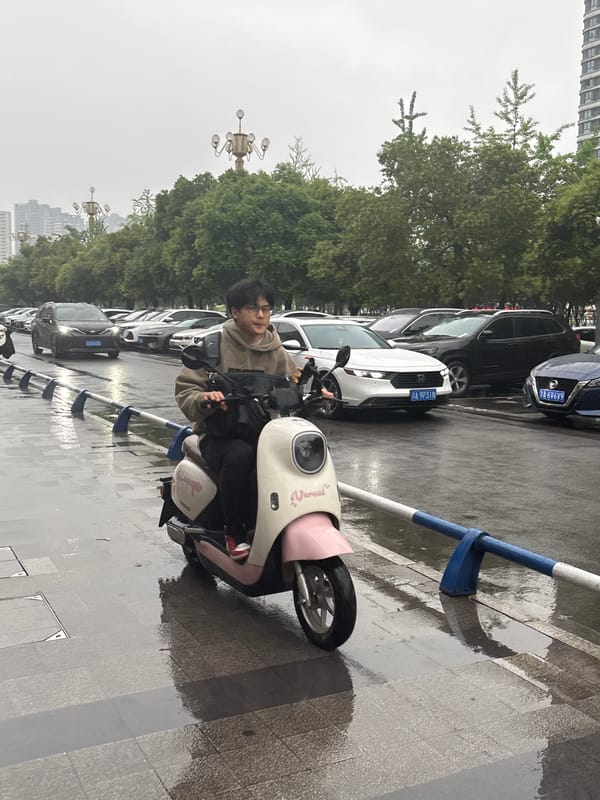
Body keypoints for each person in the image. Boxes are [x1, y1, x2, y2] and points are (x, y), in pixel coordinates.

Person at [175, 278, 300, 561]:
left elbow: (293, 389)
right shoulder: (213, 346)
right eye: (252, 308)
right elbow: (186, 390)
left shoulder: (277, 351)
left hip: (266, 434)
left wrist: (318, 395)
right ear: (234, 312)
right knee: (240, 455)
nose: (260, 315)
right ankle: (235, 532)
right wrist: (204, 400)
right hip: (220, 436)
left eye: (266, 309)